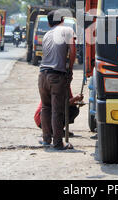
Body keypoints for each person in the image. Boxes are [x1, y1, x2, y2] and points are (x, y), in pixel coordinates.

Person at [38, 10, 76, 150]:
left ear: (49, 23)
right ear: (62, 20)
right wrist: (70, 69)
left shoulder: (47, 34)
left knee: (45, 107)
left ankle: (46, 139)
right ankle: (58, 143)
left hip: (42, 75)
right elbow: (72, 51)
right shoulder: (67, 30)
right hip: (56, 75)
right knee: (57, 110)